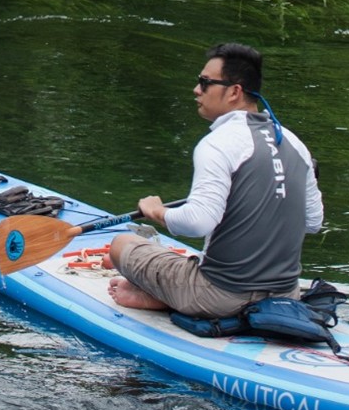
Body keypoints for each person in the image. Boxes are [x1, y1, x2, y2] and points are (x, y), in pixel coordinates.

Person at [107, 43, 323, 319]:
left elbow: (198, 222)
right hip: (286, 296)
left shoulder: (218, 143)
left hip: (218, 298)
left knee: (122, 244)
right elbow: (313, 222)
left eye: (205, 83)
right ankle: (167, 295)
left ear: (234, 91)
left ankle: (164, 297)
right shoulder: (296, 144)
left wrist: (156, 211)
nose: (196, 90)